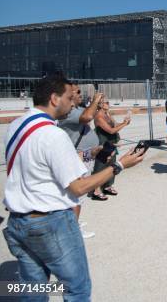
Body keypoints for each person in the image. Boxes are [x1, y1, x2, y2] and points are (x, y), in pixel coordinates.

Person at [3, 75, 145, 300]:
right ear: (54, 98)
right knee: (76, 288)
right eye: (70, 97)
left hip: (19, 222)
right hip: (49, 222)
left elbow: (38, 168)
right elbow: (79, 187)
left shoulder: (17, 125)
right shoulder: (53, 134)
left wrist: (88, 154)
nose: (73, 103)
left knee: (32, 290)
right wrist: (119, 165)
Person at [58, 85, 104, 239]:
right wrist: (96, 99)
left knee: (78, 196)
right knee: (77, 195)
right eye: (77, 92)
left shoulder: (76, 110)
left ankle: (74, 222)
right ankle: (74, 229)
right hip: (78, 158)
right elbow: (87, 117)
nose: (80, 94)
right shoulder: (69, 113)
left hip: (85, 156)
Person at [90, 98, 131, 201]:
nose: (108, 104)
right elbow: (111, 130)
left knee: (111, 164)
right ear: (100, 104)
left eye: (108, 102)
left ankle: (108, 186)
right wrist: (124, 124)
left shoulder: (107, 114)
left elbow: (115, 125)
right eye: (106, 102)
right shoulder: (98, 116)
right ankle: (96, 190)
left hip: (111, 143)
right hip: (103, 144)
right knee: (100, 166)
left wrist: (125, 121)